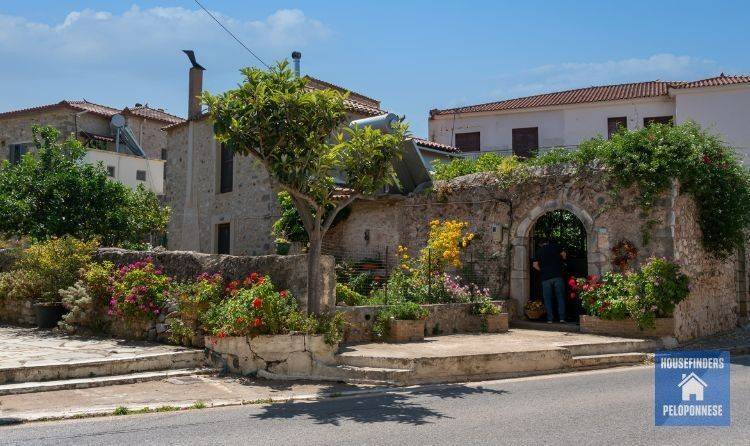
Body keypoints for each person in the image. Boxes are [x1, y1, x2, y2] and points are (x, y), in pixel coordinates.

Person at [532, 237, 567, 323]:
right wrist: (562, 261)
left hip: (545, 278)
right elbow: (564, 255)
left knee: (547, 299)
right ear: (548, 242)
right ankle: (562, 318)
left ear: (540, 244)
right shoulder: (555, 247)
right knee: (560, 297)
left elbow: (535, 265)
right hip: (557, 276)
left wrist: (543, 270)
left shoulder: (539, 251)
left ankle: (550, 319)